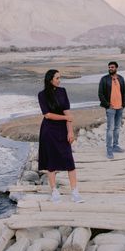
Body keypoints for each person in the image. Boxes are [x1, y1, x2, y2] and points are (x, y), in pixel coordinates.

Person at [38, 69, 84, 203]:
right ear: (50, 79)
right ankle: (54, 192)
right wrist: (66, 117)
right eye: (57, 78)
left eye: (60, 78)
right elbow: (47, 115)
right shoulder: (42, 95)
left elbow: (67, 113)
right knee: (51, 163)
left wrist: (70, 131)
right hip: (49, 131)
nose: (59, 80)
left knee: (69, 160)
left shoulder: (62, 91)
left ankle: (75, 192)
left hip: (62, 130)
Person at [98, 61, 125, 159]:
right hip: (110, 108)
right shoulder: (104, 79)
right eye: (109, 67)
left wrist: (123, 104)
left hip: (120, 108)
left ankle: (115, 146)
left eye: (112, 67)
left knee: (117, 128)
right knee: (110, 129)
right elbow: (100, 94)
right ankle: (109, 150)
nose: (110, 68)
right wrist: (107, 105)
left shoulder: (121, 79)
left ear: (116, 68)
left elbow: (124, 93)